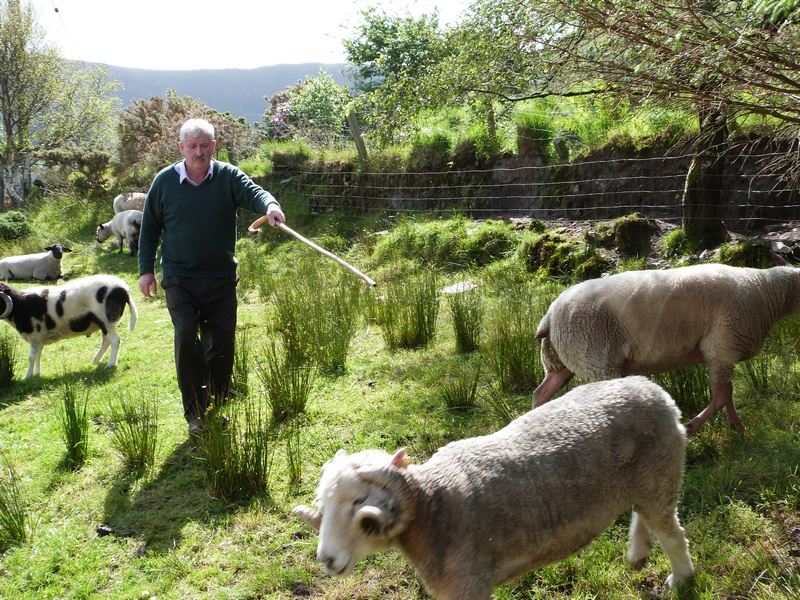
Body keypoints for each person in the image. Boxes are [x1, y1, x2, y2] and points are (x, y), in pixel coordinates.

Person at [138, 118, 285, 436]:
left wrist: (270, 206)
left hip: (220, 277)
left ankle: (214, 405)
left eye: (205, 145)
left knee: (220, 345)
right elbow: (149, 228)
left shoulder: (228, 177)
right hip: (179, 278)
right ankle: (195, 415)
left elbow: (254, 192)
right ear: (181, 148)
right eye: (192, 146)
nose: (199, 152)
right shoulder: (164, 182)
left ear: (213, 147)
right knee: (187, 334)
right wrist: (146, 270)